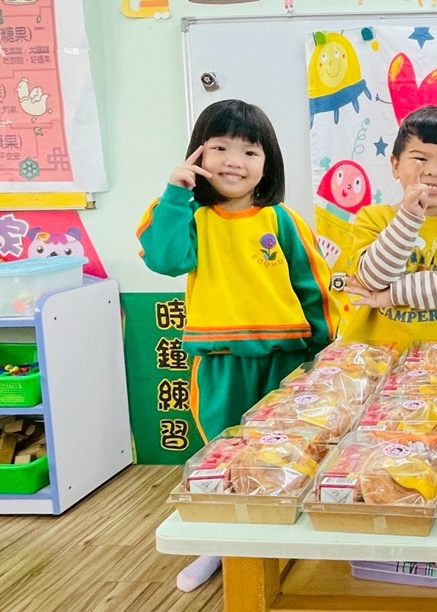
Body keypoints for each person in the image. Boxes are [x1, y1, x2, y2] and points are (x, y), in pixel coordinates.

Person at [137, 99, 340, 592]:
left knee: (292, 448)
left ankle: (285, 534)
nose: (234, 161)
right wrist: (174, 194)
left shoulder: (282, 220)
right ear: (197, 155)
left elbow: (314, 287)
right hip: (220, 364)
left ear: (268, 162)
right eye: (221, 147)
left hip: (288, 362)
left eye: (250, 151)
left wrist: (323, 355)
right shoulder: (187, 216)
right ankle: (220, 542)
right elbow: (163, 259)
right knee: (222, 453)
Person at [341, 106, 437, 352]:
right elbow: (373, 278)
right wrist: (408, 218)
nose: (433, 171)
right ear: (395, 165)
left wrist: (390, 295)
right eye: (420, 159)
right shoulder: (372, 218)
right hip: (375, 356)